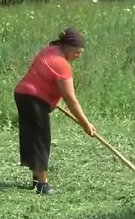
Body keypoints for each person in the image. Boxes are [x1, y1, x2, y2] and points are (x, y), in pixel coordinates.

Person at [14, 27, 96, 195]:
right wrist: (85, 124)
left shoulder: (49, 50)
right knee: (40, 139)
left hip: (23, 95)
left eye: (81, 53)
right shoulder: (61, 64)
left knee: (33, 138)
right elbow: (71, 100)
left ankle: (37, 180)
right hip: (33, 99)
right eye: (76, 52)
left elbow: (41, 76)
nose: (78, 56)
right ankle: (43, 185)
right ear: (66, 47)